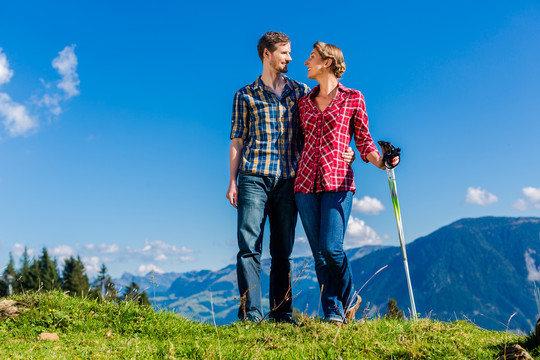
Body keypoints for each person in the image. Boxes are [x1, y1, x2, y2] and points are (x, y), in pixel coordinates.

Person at [226, 32, 355, 323]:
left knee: (282, 251)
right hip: (253, 177)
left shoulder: (300, 93)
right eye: (284, 52)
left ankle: (282, 314)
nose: (291, 58)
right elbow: (237, 141)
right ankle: (252, 315)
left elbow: (323, 127)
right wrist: (232, 181)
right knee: (249, 247)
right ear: (266, 54)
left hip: (289, 179)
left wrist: (347, 151)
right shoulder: (245, 95)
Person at [294, 41, 398, 324]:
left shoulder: (353, 98)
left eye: (311, 57)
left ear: (327, 62)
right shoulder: (303, 103)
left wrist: (382, 161)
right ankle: (333, 314)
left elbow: (364, 141)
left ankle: (350, 297)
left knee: (331, 247)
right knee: (319, 255)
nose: (306, 62)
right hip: (304, 183)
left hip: (337, 180)